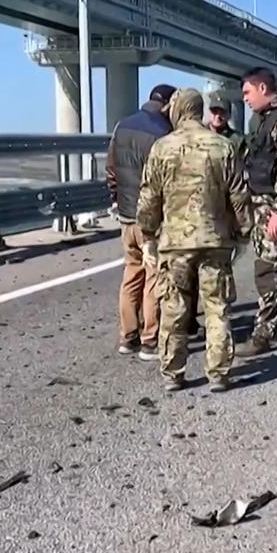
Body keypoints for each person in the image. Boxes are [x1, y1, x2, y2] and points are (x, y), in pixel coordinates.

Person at [136, 89, 251, 393]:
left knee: (174, 310)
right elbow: (239, 196)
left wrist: (147, 235)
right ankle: (219, 373)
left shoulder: (162, 148)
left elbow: (149, 198)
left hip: (175, 244)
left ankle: (173, 373)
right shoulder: (223, 147)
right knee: (217, 308)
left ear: (178, 110)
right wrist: (243, 233)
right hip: (215, 241)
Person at [235, 67, 277, 357]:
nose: (245, 100)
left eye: (248, 93)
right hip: (263, 204)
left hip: (271, 208)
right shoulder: (266, 121)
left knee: (268, 270)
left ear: (263, 89)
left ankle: (263, 335)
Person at [106, 83, 176, 361]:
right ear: (168, 105)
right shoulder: (163, 132)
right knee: (153, 276)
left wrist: (116, 199)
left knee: (131, 273)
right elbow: (165, 181)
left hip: (126, 216)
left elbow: (111, 169)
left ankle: (127, 337)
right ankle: (150, 340)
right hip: (150, 219)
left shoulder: (121, 126)